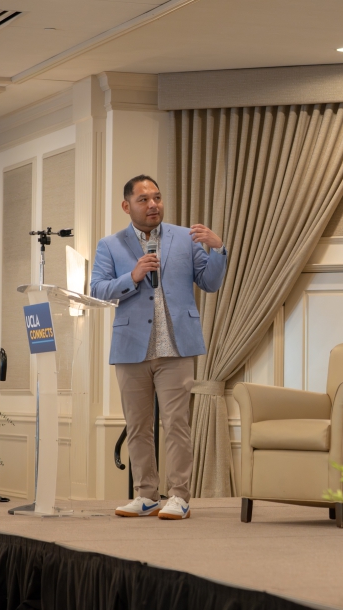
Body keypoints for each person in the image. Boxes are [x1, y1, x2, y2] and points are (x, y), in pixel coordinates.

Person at [90, 175, 226, 520]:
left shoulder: (185, 237)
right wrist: (133, 276)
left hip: (176, 347)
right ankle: (146, 495)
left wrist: (217, 249)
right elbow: (98, 289)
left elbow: (209, 283)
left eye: (158, 198)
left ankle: (179, 496)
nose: (153, 205)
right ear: (127, 206)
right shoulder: (110, 244)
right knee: (137, 425)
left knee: (177, 423)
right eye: (144, 200)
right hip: (132, 346)